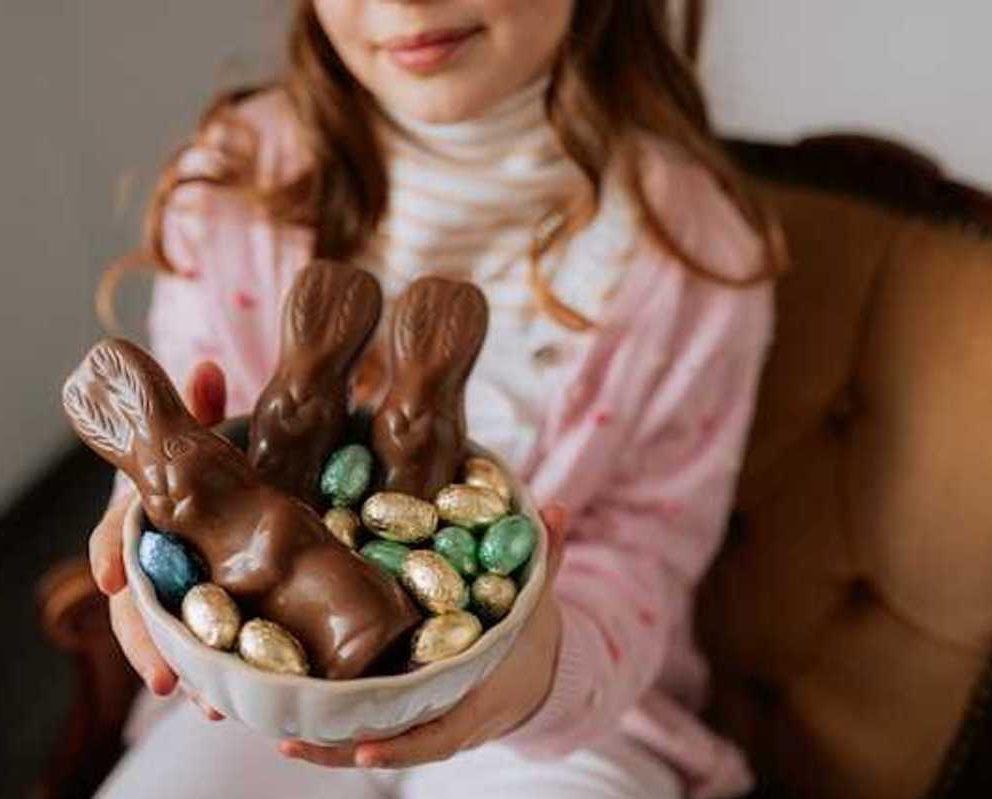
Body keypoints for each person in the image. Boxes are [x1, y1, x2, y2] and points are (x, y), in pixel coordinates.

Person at [87, 2, 785, 797]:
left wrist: (537, 666)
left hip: (551, 718)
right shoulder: (235, 178)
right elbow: (180, 453)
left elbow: (644, 555)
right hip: (256, 697)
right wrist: (146, 523)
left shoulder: (694, 253)